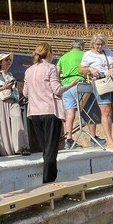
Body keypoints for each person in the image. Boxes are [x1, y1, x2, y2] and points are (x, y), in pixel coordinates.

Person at [24, 43, 67, 183]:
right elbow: (57, 90)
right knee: (51, 148)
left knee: (46, 148)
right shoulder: (51, 68)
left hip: (34, 113)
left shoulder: (28, 71)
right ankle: (48, 180)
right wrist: (71, 85)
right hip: (49, 111)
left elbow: (25, 92)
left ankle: (48, 180)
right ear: (49, 53)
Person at [79, 34, 113, 151]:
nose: (99, 46)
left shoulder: (109, 52)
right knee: (106, 111)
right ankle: (110, 141)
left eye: (101, 44)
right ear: (93, 44)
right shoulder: (88, 54)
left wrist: (112, 69)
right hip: (100, 82)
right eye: (97, 44)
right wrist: (90, 69)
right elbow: (80, 69)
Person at [56, 39, 98, 149]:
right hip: (80, 84)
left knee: (69, 114)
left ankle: (68, 139)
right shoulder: (85, 54)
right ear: (81, 46)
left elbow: (57, 72)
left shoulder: (63, 57)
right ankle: (93, 137)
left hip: (66, 86)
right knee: (89, 110)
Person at [0, 53, 30, 156]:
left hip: (13, 101)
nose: (8, 61)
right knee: (3, 126)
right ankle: (8, 152)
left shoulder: (11, 74)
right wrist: (3, 88)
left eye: (9, 60)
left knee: (17, 119)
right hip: (0, 101)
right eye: (6, 59)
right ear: (0, 62)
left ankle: (22, 147)